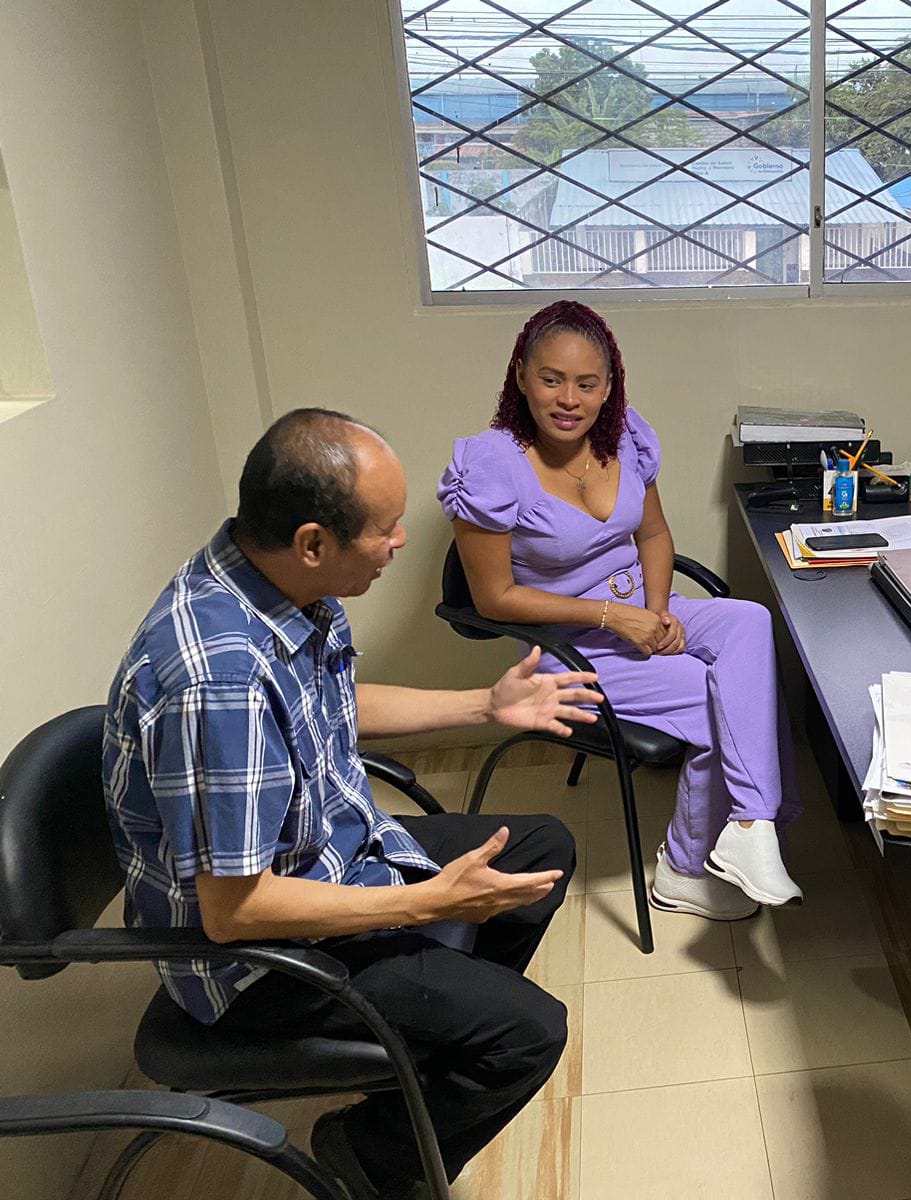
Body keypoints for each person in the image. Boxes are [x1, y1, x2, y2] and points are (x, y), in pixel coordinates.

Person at [103, 408, 605, 1200]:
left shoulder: (279, 587)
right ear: (313, 541)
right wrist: (425, 904)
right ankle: (370, 1153)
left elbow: (329, 705)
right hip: (257, 963)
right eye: (385, 528)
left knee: (541, 846)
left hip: (329, 858)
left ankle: (426, 1048)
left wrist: (486, 705)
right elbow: (234, 912)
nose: (401, 542)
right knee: (530, 1033)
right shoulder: (218, 681)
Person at [438, 300, 802, 921]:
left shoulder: (624, 436)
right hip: (567, 648)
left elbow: (654, 534)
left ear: (609, 387)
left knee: (750, 620)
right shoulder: (492, 463)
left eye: (587, 383)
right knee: (719, 697)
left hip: (642, 611)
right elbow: (493, 598)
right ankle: (685, 871)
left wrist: (657, 613)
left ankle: (749, 826)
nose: (568, 399)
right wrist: (612, 617)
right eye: (551, 379)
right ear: (521, 376)